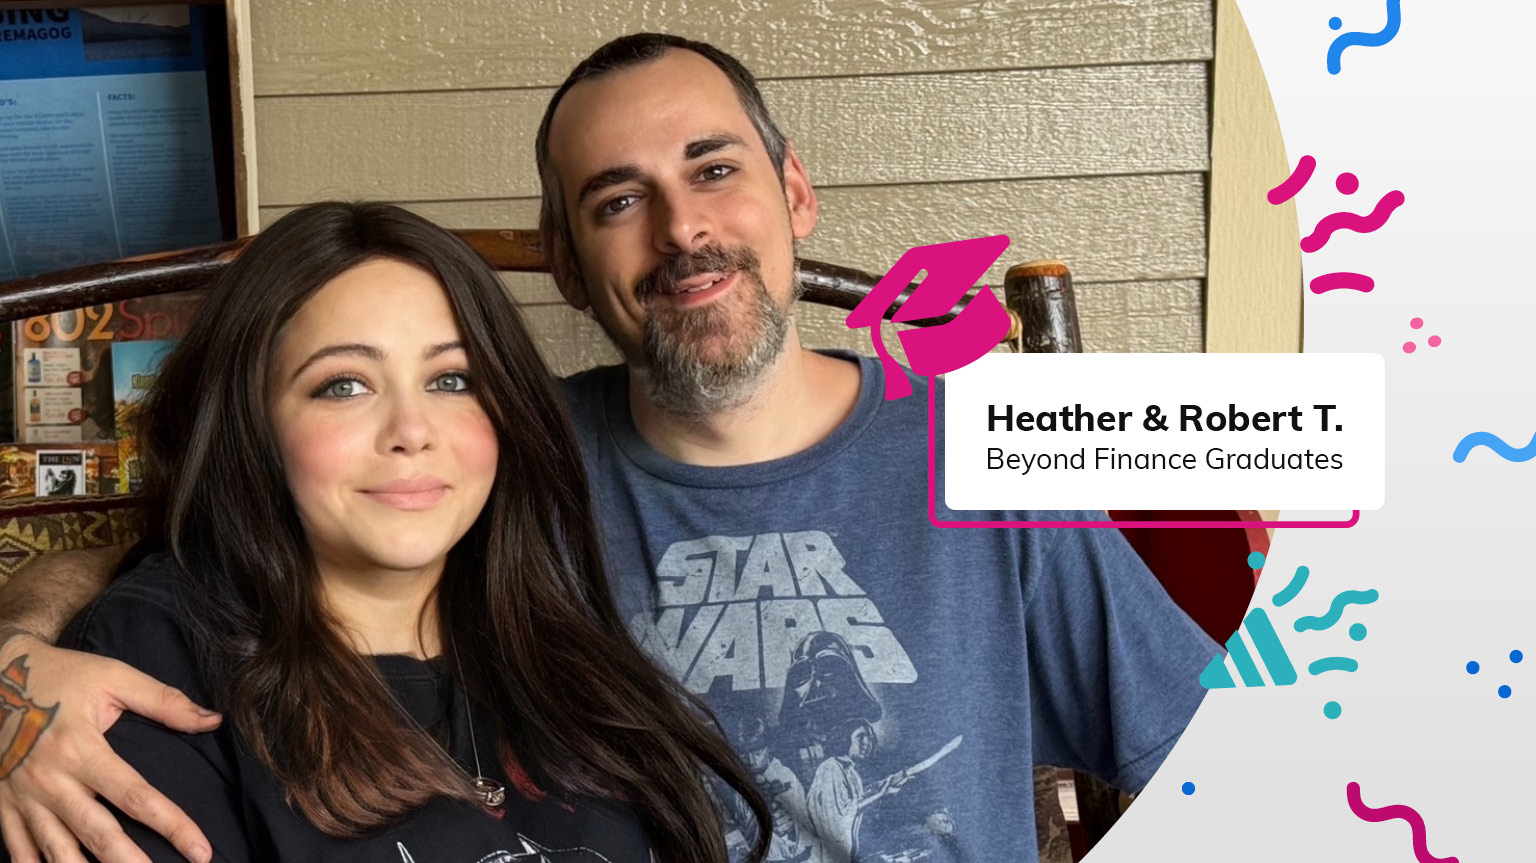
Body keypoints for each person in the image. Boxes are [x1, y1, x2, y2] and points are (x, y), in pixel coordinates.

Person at [0, 33, 1219, 863]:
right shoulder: (510, 468)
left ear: (795, 193)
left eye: (716, 170)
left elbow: (1218, 760)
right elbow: (207, 551)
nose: (686, 229)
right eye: (619, 200)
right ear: (571, 261)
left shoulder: (980, 447)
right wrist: (13, 659)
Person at [0, 201, 769, 863]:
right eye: (344, 385)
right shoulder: (150, 667)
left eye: (452, 380)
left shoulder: (557, 638)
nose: (411, 429)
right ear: (251, 427)